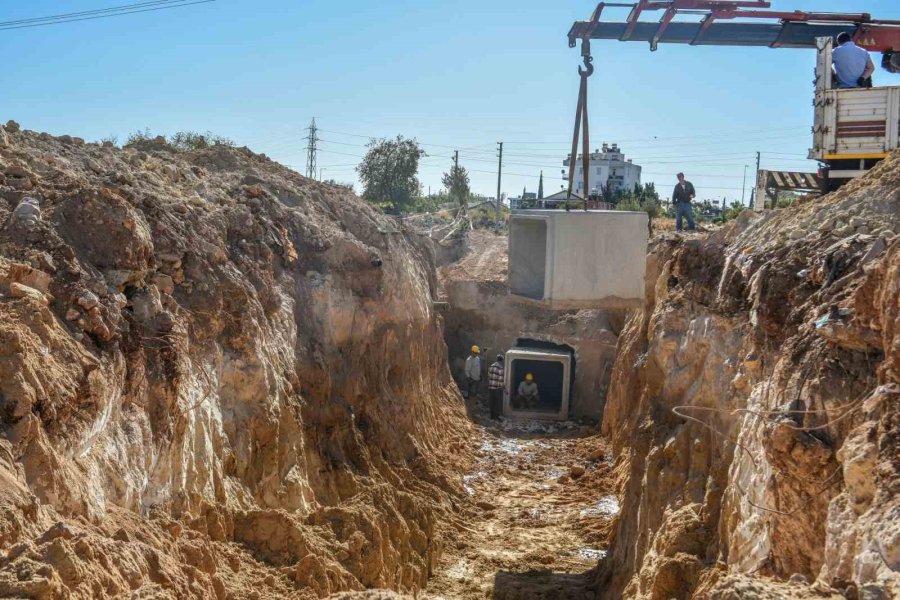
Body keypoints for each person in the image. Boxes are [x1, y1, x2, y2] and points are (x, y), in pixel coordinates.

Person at [487, 354, 505, 420]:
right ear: (502, 360)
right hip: (497, 388)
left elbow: (488, 377)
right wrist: (503, 387)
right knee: (497, 402)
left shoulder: (491, 366)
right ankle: (496, 416)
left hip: (490, 387)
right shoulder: (500, 367)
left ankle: (491, 416)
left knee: (492, 401)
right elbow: (501, 379)